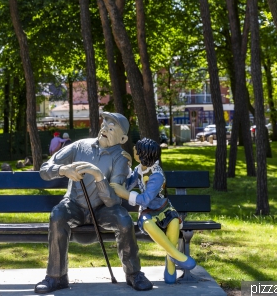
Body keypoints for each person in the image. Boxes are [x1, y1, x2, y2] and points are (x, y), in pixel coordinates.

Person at [35, 112, 153, 294]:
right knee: (57, 215)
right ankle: (56, 277)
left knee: (124, 220)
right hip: (74, 206)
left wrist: (99, 176)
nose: (105, 128)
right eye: (104, 124)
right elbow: (45, 170)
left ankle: (133, 274)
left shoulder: (120, 158)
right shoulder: (80, 146)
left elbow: (113, 201)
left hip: (103, 209)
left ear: (122, 138)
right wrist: (63, 169)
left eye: (111, 128)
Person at [110, 138, 196, 284]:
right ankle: (175, 254)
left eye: (136, 150)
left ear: (144, 154)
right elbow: (129, 185)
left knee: (174, 222)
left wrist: (124, 194)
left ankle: (170, 260)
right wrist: (126, 167)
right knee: (147, 223)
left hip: (164, 208)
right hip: (147, 212)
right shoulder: (139, 169)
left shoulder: (157, 175)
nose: (134, 151)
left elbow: (145, 199)